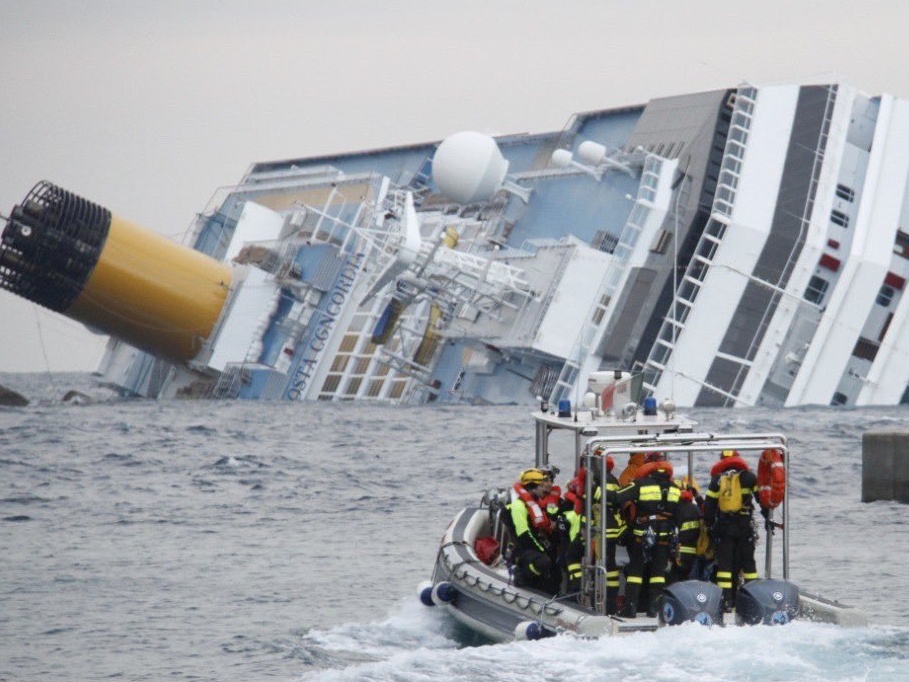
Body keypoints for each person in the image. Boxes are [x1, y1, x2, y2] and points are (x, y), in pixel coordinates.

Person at [610, 454, 681, 618]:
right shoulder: (675, 488)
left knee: (635, 571)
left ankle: (630, 609)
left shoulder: (640, 484)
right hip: (664, 535)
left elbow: (617, 496)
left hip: (642, 535)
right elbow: (677, 512)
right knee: (658, 572)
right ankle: (654, 609)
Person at [702, 449, 768, 610]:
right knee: (748, 565)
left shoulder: (717, 480)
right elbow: (762, 501)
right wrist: (768, 518)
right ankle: (752, 602)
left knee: (724, 566)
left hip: (725, 529)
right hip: (745, 528)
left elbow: (708, 506)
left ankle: (725, 602)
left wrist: (709, 526)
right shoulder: (749, 477)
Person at [508, 468, 560, 593]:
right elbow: (524, 534)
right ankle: (521, 576)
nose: (545, 488)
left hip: (534, 548)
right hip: (523, 550)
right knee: (543, 561)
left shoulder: (537, 504)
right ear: (533, 487)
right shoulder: (519, 506)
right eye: (541, 486)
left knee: (553, 566)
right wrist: (541, 550)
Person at [590, 447, 626, 614]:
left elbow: (597, 500)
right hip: (607, 530)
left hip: (603, 531)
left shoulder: (602, 482)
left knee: (605, 567)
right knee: (609, 568)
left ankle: (605, 603)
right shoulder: (611, 480)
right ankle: (609, 603)